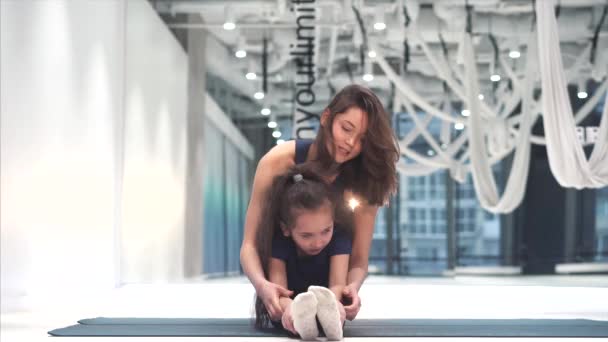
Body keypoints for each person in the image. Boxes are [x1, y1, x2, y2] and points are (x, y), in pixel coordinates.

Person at [241, 84, 399, 323]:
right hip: (279, 289)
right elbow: (250, 245)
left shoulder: (364, 182)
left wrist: (352, 288)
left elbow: (358, 259)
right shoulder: (277, 161)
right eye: (347, 129)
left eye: (362, 140)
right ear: (327, 117)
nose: (350, 143)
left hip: (332, 300)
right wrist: (263, 286)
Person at [253, 164, 350, 340]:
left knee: (331, 309)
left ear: (333, 222)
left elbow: (337, 284)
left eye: (326, 231)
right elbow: (279, 290)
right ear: (286, 229)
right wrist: (289, 306)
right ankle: (303, 323)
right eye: (306, 235)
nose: (318, 242)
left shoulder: (339, 238)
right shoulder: (280, 243)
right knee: (291, 314)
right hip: (290, 307)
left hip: (326, 302)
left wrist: (333, 302)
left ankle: (326, 320)